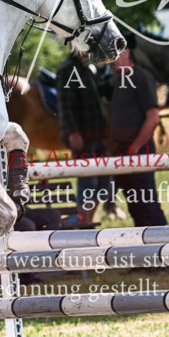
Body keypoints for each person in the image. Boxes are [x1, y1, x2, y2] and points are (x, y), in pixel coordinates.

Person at [109, 43, 168, 227]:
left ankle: (166, 246)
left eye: (115, 55)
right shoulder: (119, 79)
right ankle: (145, 249)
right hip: (124, 150)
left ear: (127, 52)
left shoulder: (141, 77)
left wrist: (134, 148)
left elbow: (153, 118)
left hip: (138, 150)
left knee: (147, 204)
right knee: (135, 206)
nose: (111, 61)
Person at [57, 51, 114, 228]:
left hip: (98, 134)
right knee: (88, 181)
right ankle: (84, 222)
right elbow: (65, 105)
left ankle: (87, 220)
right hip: (83, 135)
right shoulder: (68, 69)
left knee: (104, 182)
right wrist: (73, 132)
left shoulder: (87, 68)